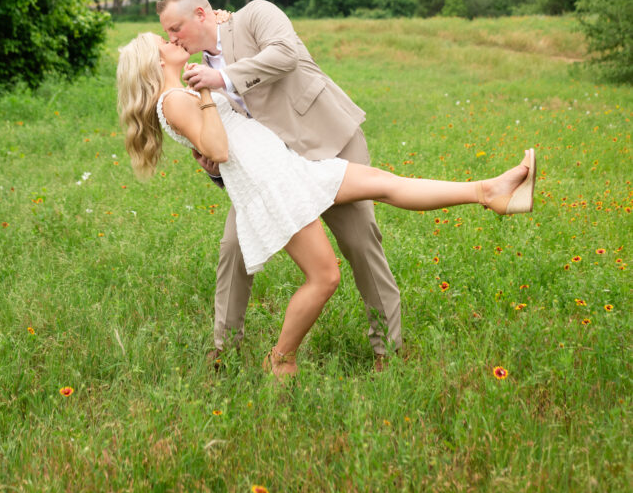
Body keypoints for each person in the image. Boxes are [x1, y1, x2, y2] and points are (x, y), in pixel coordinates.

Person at [116, 31, 536, 379]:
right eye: (163, 41)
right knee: (324, 277)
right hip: (273, 187)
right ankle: (280, 360)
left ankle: (489, 192)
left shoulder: (185, 92)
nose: (172, 39)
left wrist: (209, 90)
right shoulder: (173, 101)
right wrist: (208, 93)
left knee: (385, 184)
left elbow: (225, 137)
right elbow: (220, 150)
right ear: (154, 63)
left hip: (290, 168)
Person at [157, 0, 401, 368]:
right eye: (167, 33)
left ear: (202, 14)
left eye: (176, 28)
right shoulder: (193, 77)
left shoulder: (254, 15)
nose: (172, 39)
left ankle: (388, 349)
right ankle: (224, 350)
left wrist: (221, 78)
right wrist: (215, 171)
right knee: (233, 247)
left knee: (359, 241)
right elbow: (222, 141)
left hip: (327, 141)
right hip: (269, 173)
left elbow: (285, 55)